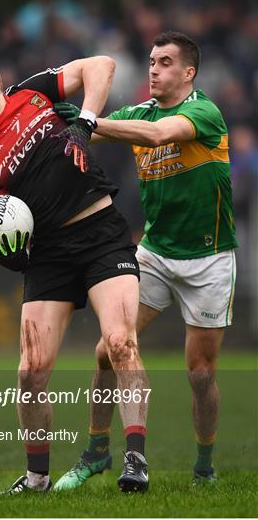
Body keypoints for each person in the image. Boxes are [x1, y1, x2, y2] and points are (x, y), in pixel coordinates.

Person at [0, 54, 149, 494]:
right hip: (50, 255)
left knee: (121, 343)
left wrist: (86, 123)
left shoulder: (33, 92)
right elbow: (4, 218)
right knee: (30, 371)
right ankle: (37, 477)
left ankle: (136, 460)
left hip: (101, 235)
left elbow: (102, 65)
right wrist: (8, 253)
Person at [53, 30, 238, 490]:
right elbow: (86, 133)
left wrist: (89, 122)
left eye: (166, 62)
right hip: (155, 252)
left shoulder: (203, 112)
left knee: (199, 373)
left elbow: (155, 137)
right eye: (151, 60)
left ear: (188, 72)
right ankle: (96, 451)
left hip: (209, 259)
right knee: (105, 352)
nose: (154, 68)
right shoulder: (137, 113)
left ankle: (204, 465)